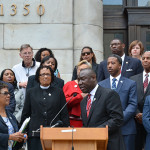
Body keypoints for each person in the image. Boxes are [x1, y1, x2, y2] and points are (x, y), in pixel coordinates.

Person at [21, 66, 69, 150]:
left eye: (48, 74)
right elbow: (26, 113)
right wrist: (24, 131)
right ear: (38, 77)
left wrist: (66, 127)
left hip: (55, 132)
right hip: (35, 133)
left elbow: (64, 112)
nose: (45, 76)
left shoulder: (59, 92)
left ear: (52, 77)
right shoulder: (31, 92)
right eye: (43, 74)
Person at [78, 68, 125, 150]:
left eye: (83, 79)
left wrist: (96, 131)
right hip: (91, 145)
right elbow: (87, 125)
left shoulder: (109, 94)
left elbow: (117, 119)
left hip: (109, 144)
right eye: (78, 80)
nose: (80, 83)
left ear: (93, 77)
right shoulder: (83, 101)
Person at [99, 54, 137, 150]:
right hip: (107, 129)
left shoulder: (131, 83)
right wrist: (110, 123)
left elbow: (132, 104)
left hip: (126, 128)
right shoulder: (101, 85)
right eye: (108, 64)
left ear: (120, 65)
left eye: (113, 63)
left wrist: (118, 119)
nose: (109, 66)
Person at [130, 51, 150, 150]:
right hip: (135, 121)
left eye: (148, 58)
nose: (145, 60)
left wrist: (145, 115)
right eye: (143, 58)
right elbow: (130, 99)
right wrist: (137, 113)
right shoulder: (132, 79)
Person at [63, 60, 91, 127]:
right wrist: (79, 97)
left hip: (90, 122)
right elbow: (63, 103)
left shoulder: (93, 86)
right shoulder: (69, 85)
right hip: (73, 122)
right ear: (77, 71)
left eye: (85, 69)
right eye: (80, 69)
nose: (82, 71)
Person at [0, 82, 26, 150]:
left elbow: (15, 137)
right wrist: (9, 137)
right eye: (5, 93)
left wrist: (21, 138)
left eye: (9, 93)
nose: (9, 95)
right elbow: (11, 137)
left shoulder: (11, 116)